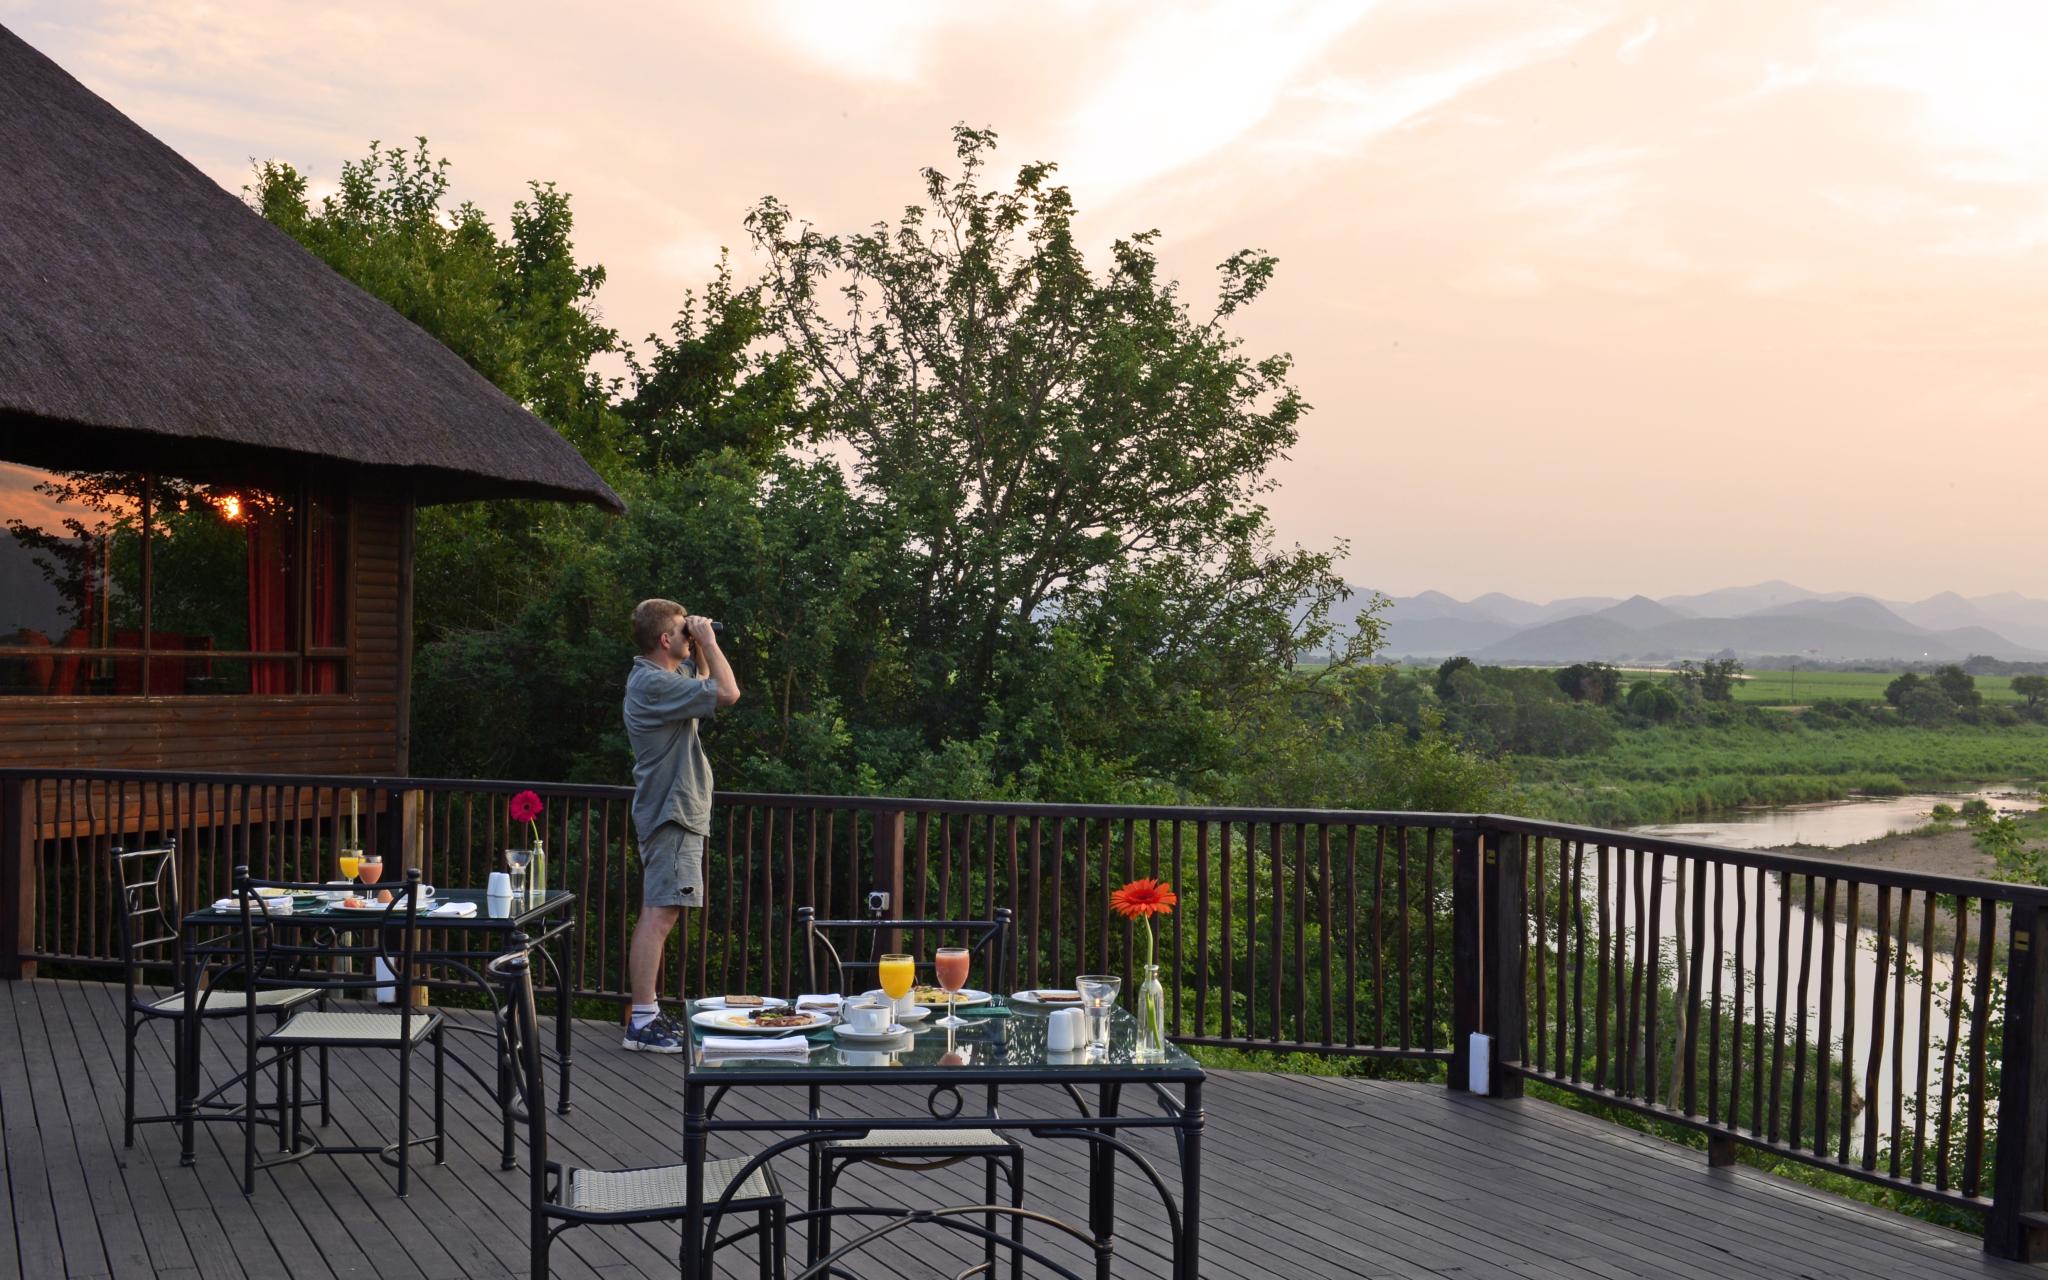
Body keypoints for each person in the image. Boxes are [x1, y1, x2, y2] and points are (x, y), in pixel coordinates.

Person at [620, 598, 740, 1051]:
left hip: (675, 808)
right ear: (665, 639)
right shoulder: (652, 683)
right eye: (682, 631)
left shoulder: (664, 680)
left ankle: (646, 1014)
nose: (690, 637)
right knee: (660, 912)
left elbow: (706, 682)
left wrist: (701, 648)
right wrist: (707, 638)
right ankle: (642, 1020)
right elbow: (727, 693)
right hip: (670, 809)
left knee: (663, 909)